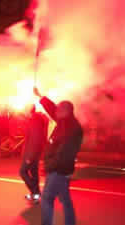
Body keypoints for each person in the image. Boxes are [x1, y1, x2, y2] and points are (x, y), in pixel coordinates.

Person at [33, 87, 83, 225]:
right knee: (65, 200)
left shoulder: (71, 128)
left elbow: (63, 154)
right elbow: (51, 107)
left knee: (47, 199)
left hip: (58, 170)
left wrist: (49, 166)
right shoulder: (65, 121)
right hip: (61, 169)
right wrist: (40, 97)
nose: (55, 111)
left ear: (65, 111)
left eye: (58, 109)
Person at [19, 104, 48, 203]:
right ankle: (35, 194)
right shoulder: (34, 119)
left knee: (23, 172)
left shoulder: (35, 121)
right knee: (34, 173)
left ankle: (35, 192)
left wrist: (30, 156)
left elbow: (35, 140)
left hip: (32, 153)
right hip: (34, 152)